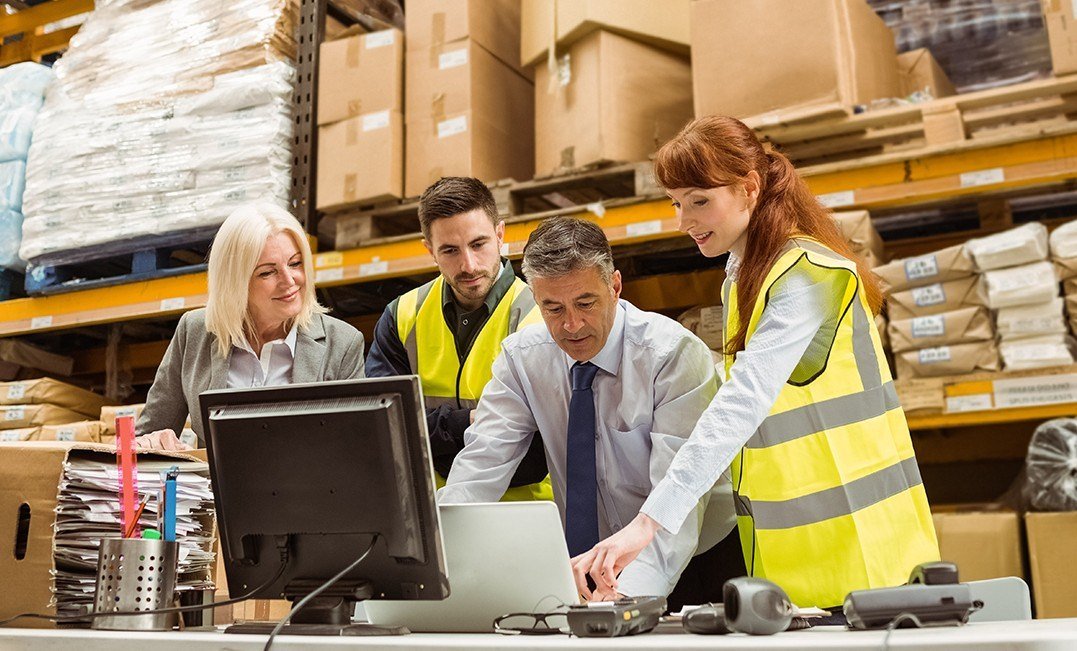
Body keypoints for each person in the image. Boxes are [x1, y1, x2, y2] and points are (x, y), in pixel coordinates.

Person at [571, 116, 940, 611]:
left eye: (700, 200)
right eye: (676, 203)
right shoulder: (746, 275)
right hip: (799, 559)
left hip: (866, 552)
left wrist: (648, 523)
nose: (684, 220)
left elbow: (742, 403)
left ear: (749, 188)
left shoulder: (803, 276)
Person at [439, 216, 735, 601]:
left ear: (614, 286)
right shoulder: (523, 358)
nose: (572, 325)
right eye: (553, 308)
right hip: (584, 565)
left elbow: (677, 500)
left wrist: (622, 602)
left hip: (692, 560)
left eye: (585, 303)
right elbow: (479, 467)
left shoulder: (672, 356)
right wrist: (430, 562)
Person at [365, 177, 551, 501]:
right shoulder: (402, 317)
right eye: (450, 250)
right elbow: (383, 427)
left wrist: (433, 430)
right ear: (429, 249)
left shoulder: (543, 316)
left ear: (500, 235)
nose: (468, 265)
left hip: (526, 515)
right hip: (435, 518)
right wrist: (469, 422)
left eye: (478, 244)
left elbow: (537, 446)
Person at [135, 202, 366, 450]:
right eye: (268, 273)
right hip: (215, 489)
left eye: (295, 263)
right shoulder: (194, 331)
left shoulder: (342, 343)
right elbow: (148, 436)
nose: (289, 281)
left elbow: (355, 448)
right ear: (235, 282)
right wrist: (154, 444)